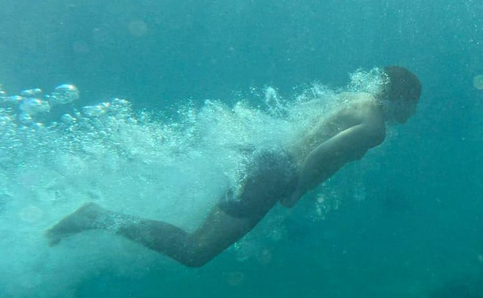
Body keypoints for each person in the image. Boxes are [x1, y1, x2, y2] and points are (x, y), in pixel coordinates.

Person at [45, 66, 421, 267]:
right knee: (195, 252)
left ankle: (99, 218)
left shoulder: (358, 99)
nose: (413, 112)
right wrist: (299, 187)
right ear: (402, 99)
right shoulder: (375, 128)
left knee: (195, 237)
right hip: (275, 174)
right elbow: (324, 152)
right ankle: (96, 217)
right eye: (414, 103)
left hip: (266, 159)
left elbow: (314, 132)